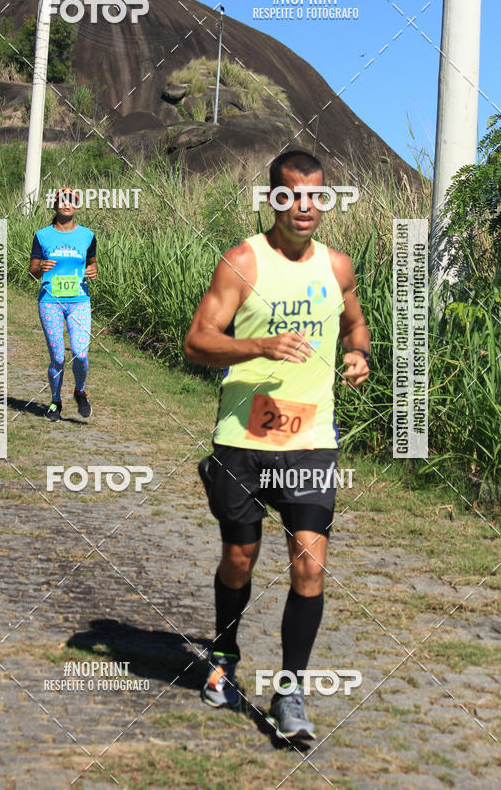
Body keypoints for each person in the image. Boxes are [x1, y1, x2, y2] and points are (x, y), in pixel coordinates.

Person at [184, 149, 370, 740]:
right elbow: (196, 343)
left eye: (317, 195)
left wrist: (359, 354)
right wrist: (257, 346)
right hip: (243, 439)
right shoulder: (243, 262)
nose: (306, 207)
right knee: (240, 559)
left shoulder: (338, 267)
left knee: (309, 566)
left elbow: (356, 324)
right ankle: (224, 655)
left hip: (311, 441)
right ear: (273, 199)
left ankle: (291, 694)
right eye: (292, 195)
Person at [28, 188, 98, 421]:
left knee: (79, 353)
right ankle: (55, 402)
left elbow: (92, 264)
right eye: (62, 201)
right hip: (50, 303)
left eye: (71, 201)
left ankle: (80, 391)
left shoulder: (87, 235)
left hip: (79, 301)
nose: (67, 205)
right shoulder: (42, 235)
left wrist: (93, 270)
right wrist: (40, 269)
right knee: (58, 357)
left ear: (76, 206)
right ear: (55, 205)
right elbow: (32, 272)